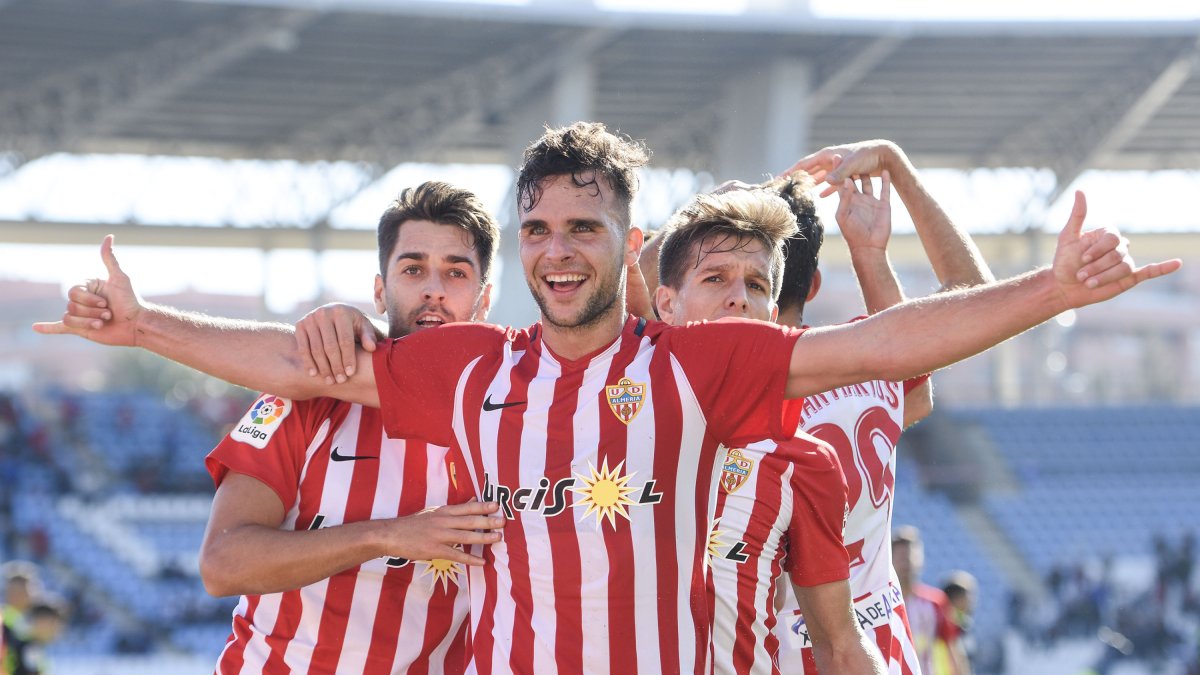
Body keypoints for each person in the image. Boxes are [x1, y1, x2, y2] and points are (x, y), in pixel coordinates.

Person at [37, 122, 1178, 673]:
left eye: (582, 227)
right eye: (537, 229)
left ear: (623, 243)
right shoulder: (474, 367)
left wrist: (1052, 288)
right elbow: (295, 367)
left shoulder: (693, 365)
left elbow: (888, 342)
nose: (558, 250)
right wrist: (138, 327)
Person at [202, 182, 507, 673]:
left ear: (484, 298)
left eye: (456, 272)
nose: (433, 288)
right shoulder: (307, 397)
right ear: (380, 293)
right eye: (413, 269)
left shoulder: (517, 413)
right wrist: (386, 536)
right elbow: (222, 564)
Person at [768, 139, 994, 674]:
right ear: (815, 284)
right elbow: (974, 302)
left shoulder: (705, 381)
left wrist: (732, 204)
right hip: (882, 656)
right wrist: (895, 172)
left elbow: (646, 278)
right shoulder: (867, 369)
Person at [651, 187, 885, 674]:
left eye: (757, 286)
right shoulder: (596, 406)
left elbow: (839, 643)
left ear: (773, 319)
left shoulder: (805, 462)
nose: (739, 298)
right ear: (666, 304)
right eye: (715, 278)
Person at [893, 526, 970, 675]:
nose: (907, 562)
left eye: (911, 555)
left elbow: (952, 648)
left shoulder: (935, 602)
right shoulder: (881, 602)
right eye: (901, 556)